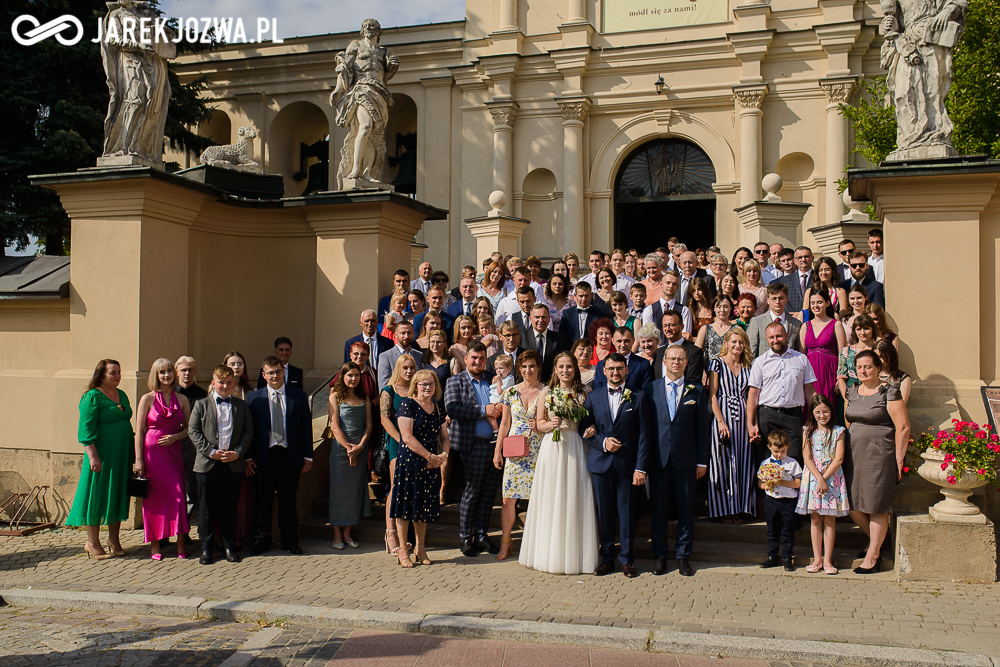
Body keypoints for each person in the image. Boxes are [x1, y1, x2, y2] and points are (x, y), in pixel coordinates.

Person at [519, 353, 599, 575]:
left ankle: (577, 556)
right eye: (561, 367)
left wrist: (591, 429)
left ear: (575, 369)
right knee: (551, 497)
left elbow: (592, 421)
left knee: (575, 495)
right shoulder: (547, 393)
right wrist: (550, 425)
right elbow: (538, 424)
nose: (565, 370)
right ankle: (548, 554)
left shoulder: (585, 393)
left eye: (569, 366)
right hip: (552, 449)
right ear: (555, 369)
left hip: (575, 445)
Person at [580, 353, 650, 577]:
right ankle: (607, 558)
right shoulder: (593, 397)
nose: (615, 373)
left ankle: (627, 560)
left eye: (619, 368)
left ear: (626, 370)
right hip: (601, 465)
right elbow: (585, 429)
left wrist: (641, 468)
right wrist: (602, 442)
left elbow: (644, 435)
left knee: (628, 514)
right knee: (605, 514)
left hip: (628, 466)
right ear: (603, 371)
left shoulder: (639, 397)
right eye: (610, 369)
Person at [645, 344, 710, 577]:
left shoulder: (697, 391)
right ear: (664, 361)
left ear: (686, 363)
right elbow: (647, 430)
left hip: (686, 461)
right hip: (659, 461)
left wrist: (702, 462)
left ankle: (683, 556)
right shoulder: (650, 389)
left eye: (680, 359)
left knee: (685, 511)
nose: (675, 363)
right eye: (671, 358)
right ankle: (660, 556)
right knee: (659, 511)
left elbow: (703, 430)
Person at [844, 350, 909, 574]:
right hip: (854, 454)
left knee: (876, 504)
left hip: (880, 454)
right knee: (851, 504)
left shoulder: (889, 392)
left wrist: (899, 460)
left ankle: (873, 555)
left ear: (877, 368)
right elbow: (848, 421)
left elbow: (903, 427)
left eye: (868, 367)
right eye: (859, 367)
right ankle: (877, 540)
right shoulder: (851, 391)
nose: (863, 371)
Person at [66, 359, 133, 560]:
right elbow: (86, 430)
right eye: (113, 372)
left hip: (121, 454)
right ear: (101, 375)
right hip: (101, 455)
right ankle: (92, 542)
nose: (117, 376)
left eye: (119, 372)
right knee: (97, 495)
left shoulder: (121, 394)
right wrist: (93, 457)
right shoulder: (91, 397)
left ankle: (114, 539)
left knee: (118, 493)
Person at [246, 356, 313, 556]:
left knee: (288, 501)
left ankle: (290, 540)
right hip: (263, 457)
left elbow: (305, 428)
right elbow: (249, 431)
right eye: (270, 373)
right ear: (264, 375)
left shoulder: (298, 396)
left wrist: (308, 456)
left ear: (283, 372)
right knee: (262, 501)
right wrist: (248, 457)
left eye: (278, 371)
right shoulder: (253, 398)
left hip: (289, 456)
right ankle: (261, 540)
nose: (275, 376)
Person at [188, 365, 254, 565]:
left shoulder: (242, 406)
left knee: (228, 507)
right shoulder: (201, 404)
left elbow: (249, 432)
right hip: (208, 464)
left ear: (233, 384)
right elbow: (193, 431)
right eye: (221, 382)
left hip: (233, 464)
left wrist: (238, 453)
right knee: (207, 508)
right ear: (213, 384)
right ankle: (206, 548)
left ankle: (228, 546)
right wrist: (210, 452)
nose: (224, 386)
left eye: (228, 383)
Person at [445, 342, 504, 557]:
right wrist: (483, 410)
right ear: (466, 358)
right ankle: (465, 538)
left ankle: (481, 536)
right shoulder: (455, 381)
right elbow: (453, 408)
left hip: (495, 445)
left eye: (481, 358)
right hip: (472, 445)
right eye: (474, 358)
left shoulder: (492, 378)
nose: (478, 362)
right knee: (473, 491)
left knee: (488, 493)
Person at [391, 370, 450, 567]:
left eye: (431, 384)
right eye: (423, 384)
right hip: (410, 462)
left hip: (430, 463)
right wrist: (430, 456)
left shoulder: (437, 406)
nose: (427, 387)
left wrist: (443, 456)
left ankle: (421, 548)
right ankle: (402, 550)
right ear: (415, 385)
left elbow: (444, 437)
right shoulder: (407, 404)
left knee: (423, 508)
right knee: (405, 507)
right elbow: (407, 437)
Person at [134, 358, 191, 560]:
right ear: (155, 375)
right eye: (162, 372)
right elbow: (139, 431)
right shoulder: (147, 399)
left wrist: (176, 436)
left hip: (173, 455)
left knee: (177, 496)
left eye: (169, 371)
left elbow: (189, 429)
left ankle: (181, 541)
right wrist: (138, 460)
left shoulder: (182, 399)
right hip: (152, 457)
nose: (166, 375)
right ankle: (155, 543)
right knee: (155, 501)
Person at [330, 18, 399, 185]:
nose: (369, 28)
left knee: (375, 135)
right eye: (366, 26)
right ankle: (355, 168)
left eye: (373, 26)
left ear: (379, 31)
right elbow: (346, 64)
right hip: (361, 89)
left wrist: (393, 68)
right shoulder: (356, 45)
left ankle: (367, 171)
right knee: (365, 126)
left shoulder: (384, 51)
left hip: (379, 92)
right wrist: (341, 66)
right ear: (362, 30)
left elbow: (385, 77)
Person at [491, 351, 544, 561]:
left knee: (538, 499)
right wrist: (497, 451)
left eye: (532, 366)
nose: (528, 370)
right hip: (514, 451)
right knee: (508, 499)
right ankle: (506, 541)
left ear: (538, 367)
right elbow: (504, 423)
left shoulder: (547, 392)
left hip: (539, 450)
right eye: (524, 366)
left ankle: (535, 543)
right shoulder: (510, 392)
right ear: (519, 369)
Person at [747, 322, 817, 462]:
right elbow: (753, 394)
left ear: (786, 336)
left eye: (778, 336)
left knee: (794, 457)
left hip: (793, 416)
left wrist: (816, 415)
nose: (775, 340)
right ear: (767, 338)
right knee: (767, 459)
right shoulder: (760, 362)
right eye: (771, 337)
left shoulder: (801, 359)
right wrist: (750, 424)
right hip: (768, 415)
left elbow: (810, 392)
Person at [796, 394, 849, 575]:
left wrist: (825, 478)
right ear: (812, 413)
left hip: (831, 477)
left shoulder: (839, 431)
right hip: (813, 478)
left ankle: (828, 560)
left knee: (829, 519)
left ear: (831, 412)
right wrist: (819, 478)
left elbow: (839, 458)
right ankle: (817, 559)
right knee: (816, 518)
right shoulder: (807, 431)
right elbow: (806, 458)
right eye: (817, 412)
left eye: (825, 412)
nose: (821, 416)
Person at [707, 328, 755, 524]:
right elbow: (712, 395)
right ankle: (723, 509)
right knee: (722, 462)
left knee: (743, 462)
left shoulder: (748, 365)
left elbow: (752, 396)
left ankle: (739, 508)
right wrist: (720, 421)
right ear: (725, 343)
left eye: (741, 342)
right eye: (734, 342)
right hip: (723, 413)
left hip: (743, 416)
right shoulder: (716, 364)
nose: (737, 346)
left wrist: (753, 423)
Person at [327, 361, 372, 550]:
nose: (353, 378)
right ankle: (337, 535)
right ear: (342, 377)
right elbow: (334, 425)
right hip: (340, 452)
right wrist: (348, 448)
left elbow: (369, 425)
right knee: (339, 493)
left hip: (360, 451)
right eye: (349, 375)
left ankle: (347, 533)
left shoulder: (365, 397)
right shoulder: (335, 396)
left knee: (354, 493)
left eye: (356, 375)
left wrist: (360, 447)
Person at [380, 354, 417, 555]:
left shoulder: (416, 390)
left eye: (412, 367)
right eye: (405, 368)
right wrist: (402, 441)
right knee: (396, 487)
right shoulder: (388, 391)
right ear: (398, 369)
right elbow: (385, 420)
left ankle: (407, 535)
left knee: (410, 489)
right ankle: (390, 533)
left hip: (415, 443)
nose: (409, 371)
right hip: (396, 442)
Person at [221, 351, 256, 546]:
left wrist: (245, 454)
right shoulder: (215, 391)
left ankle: (238, 538)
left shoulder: (250, 392)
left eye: (240, 364)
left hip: (242, 453)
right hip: (220, 454)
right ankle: (221, 538)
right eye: (232, 363)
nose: (236, 367)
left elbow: (252, 428)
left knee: (242, 498)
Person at [757, 430, 802, 572]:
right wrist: (766, 484)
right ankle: (772, 556)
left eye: (782, 451)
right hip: (771, 500)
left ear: (788, 446)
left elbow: (798, 483)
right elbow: (760, 483)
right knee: (772, 529)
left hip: (788, 501)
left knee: (788, 529)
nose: (779, 454)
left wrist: (781, 482)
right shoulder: (766, 463)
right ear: (769, 446)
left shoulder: (793, 463)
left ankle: (787, 557)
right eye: (776, 451)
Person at [174, 355, 206, 536]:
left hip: (194, 447)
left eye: (190, 369)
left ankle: (183, 531)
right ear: (177, 371)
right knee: (172, 488)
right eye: (183, 370)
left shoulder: (202, 394)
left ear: (195, 371)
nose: (187, 373)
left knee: (190, 490)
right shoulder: (170, 394)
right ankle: (166, 531)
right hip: (173, 445)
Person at [799, 288, 846, 402]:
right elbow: (801, 356)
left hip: (829, 371)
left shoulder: (836, 324)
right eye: (813, 303)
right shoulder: (805, 326)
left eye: (819, 302)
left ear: (827, 303)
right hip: (810, 374)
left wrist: (839, 380)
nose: (816, 306)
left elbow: (842, 354)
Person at [651, 311, 705, 386]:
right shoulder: (658, 352)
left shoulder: (694, 352)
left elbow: (693, 381)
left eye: (672, 325)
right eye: (665, 325)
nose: (668, 328)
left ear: (681, 327)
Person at [747, 283, 802, 357]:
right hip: (765, 366)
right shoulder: (757, 322)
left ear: (786, 300)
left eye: (781, 298)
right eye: (774, 298)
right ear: (768, 300)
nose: (778, 301)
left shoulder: (796, 323)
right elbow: (750, 351)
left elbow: (797, 351)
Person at [522, 303, 569, 382]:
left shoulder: (559, 339)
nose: (540, 320)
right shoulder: (521, 338)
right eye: (537, 317)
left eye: (544, 317)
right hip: (528, 384)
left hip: (552, 384)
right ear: (530, 319)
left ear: (549, 318)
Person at [641, 271, 693, 339]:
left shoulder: (684, 311)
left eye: (674, 284)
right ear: (661, 284)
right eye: (668, 283)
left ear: (677, 287)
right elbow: (648, 336)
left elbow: (685, 336)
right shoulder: (649, 310)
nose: (670, 286)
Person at [836, 314, 877, 400]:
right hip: (850, 395)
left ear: (873, 329)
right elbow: (841, 378)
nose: (862, 333)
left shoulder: (878, 350)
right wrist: (847, 399)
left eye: (866, 328)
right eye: (859, 329)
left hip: (874, 395)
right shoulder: (847, 351)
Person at [377, 320, 424, 389]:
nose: (406, 336)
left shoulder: (419, 355)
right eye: (403, 333)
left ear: (413, 334)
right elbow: (384, 385)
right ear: (396, 334)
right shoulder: (385, 356)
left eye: (409, 333)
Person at [696, 294, 736, 363]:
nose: (722, 310)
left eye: (725, 307)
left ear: (731, 308)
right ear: (714, 308)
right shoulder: (705, 329)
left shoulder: (736, 330)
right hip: (709, 370)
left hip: (729, 370)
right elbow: (696, 353)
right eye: (719, 307)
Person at [774, 246, 814, 316]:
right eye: (800, 257)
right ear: (795, 260)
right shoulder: (785, 280)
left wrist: (804, 314)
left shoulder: (819, 278)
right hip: (792, 320)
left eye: (806, 256)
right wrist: (795, 315)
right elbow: (783, 301)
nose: (803, 260)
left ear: (812, 258)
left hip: (814, 319)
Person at [874, 338, 911, 404]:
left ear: (891, 356)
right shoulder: (870, 375)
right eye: (877, 357)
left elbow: (902, 404)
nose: (881, 361)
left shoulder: (902, 378)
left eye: (884, 357)